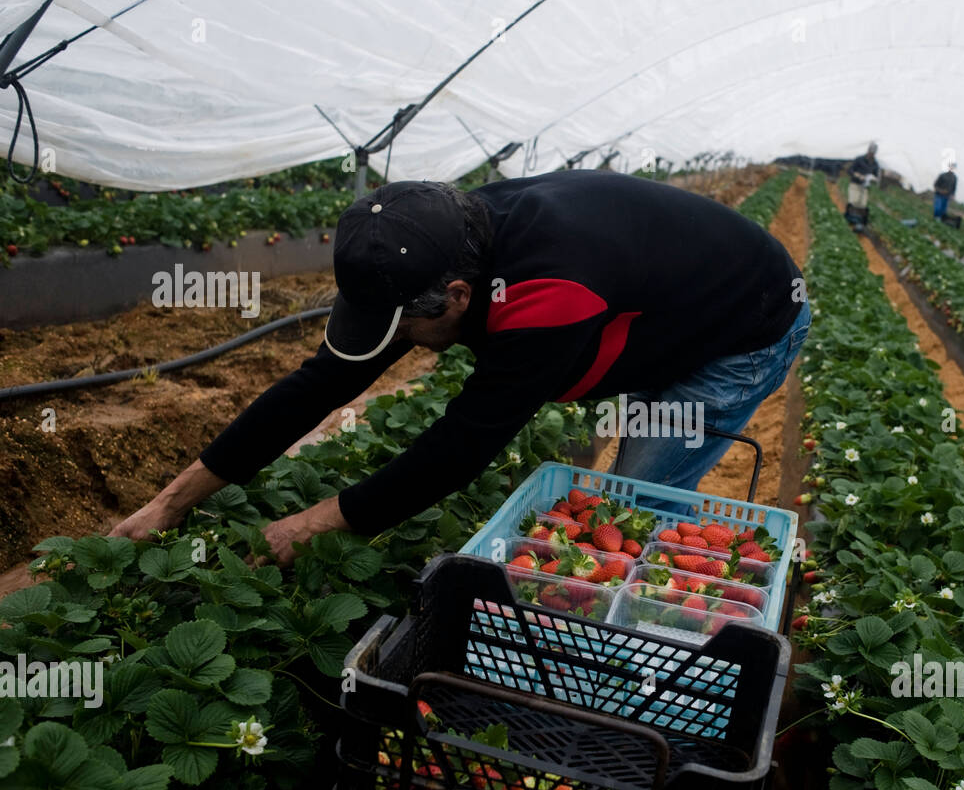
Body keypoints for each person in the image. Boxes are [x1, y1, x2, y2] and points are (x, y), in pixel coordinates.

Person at [109, 171, 810, 563]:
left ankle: (641, 652)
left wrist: (306, 525)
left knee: (630, 504)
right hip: (660, 300)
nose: (394, 345)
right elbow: (322, 382)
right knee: (619, 492)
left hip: (742, 325)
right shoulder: (434, 238)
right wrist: (170, 502)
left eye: (404, 329)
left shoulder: (548, 291)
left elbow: (461, 444)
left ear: (458, 298)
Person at [844, 142, 879, 231]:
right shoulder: (859, 159)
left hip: (865, 187)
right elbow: (850, 170)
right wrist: (858, 175)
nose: (871, 154)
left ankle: (859, 223)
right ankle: (849, 221)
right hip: (855, 184)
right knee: (854, 202)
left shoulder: (875, 164)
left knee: (862, 205)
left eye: (873, 152)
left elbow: (876, 176)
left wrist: (872, 179)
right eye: (870, 151)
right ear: (868, 151)